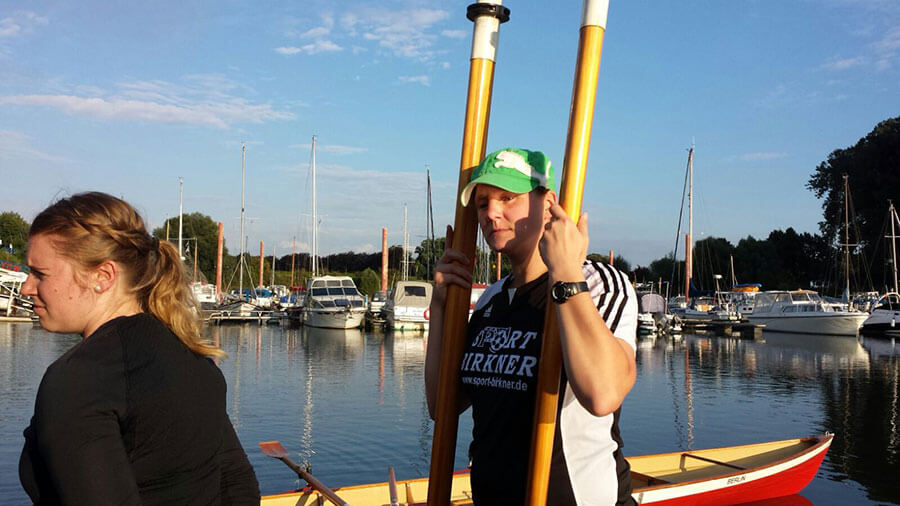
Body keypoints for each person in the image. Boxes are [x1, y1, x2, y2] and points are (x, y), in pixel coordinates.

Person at [425, 148, 638, 505]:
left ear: (548, 204)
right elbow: (441, 404)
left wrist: (565, 272)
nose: (491, 213)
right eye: (482, 203)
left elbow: (603, 394)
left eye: (508, 198)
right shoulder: (491, 299)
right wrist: (441, 306)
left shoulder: (596, 283)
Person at [18, 192, 260, 505]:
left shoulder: (79, 380)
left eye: (40, 273)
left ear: (103, 276)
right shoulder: (194, 357)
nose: (26, 287)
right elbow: (239, 486)